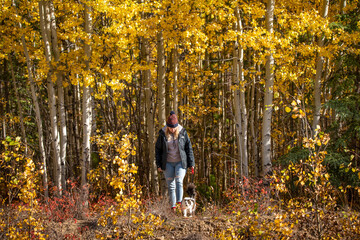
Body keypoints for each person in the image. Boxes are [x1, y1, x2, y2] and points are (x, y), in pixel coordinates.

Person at [155, 111, 195, 211]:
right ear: (167, 126)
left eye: (174, 127)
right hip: (167, 163)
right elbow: (158, 150)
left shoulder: (183, 133)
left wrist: (191, 164)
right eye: (170, 127)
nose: (172, 130)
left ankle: (179, 204)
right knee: (171, 186)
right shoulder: (162, 134)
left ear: (177, 126)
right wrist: (159, 164)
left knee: (179, 181)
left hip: (180, 162)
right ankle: (173, 207)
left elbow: (188, 148)